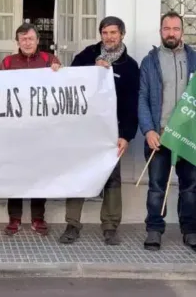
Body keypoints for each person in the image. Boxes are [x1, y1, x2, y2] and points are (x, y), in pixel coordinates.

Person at [138, 11, 196, 253]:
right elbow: (141, 97)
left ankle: (190, 231)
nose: (171, 33)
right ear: (160, 31)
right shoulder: (149, 61)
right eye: (166, 28)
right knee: (157, 187)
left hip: (188, 138)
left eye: (175, 28)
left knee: (189, 187)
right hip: (160, 137)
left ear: (182, 31)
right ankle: (154, 229)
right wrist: (149, 130)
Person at [60, 16, 139, 246]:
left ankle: (110, 227)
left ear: (122, 34)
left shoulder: (130, 66)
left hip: (112, 132)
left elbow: (131, 105)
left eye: (113, 32)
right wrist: (92, 68)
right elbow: (70, 78)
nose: (109, 37)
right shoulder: (87, 54)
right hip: (84, 130)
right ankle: (72, 224)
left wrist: (126, 135)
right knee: (79, 175)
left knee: (111, 179)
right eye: (105, 32)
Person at [0, 22, 62, 236]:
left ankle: (38, 218)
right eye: (23, 39)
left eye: (31, 39)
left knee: (39, 173)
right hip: (14, 130)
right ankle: (14, 218)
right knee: (14, 173)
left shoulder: (49, 61)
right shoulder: (7, 62)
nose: (27, 42)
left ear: (37, 41)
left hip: (40, 130)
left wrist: (58, 72)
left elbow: (62, 87)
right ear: (17, 42)